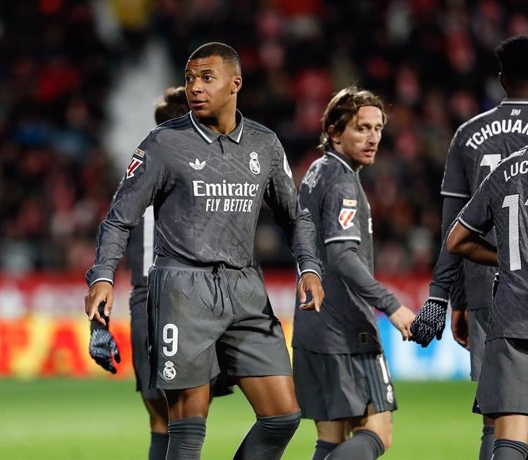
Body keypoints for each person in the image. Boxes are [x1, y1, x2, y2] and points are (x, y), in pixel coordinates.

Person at [84, 42, 324, 460]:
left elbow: (295, 216)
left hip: (245, 288)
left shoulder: (264, 145)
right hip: (183, 289)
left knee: (283, 415)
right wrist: (103, 276)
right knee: (189, 425)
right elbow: (119, 218)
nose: (194, 87)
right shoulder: (163, 144)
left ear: (235, 84)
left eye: (206, 78)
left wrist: (309, 266)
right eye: (190, 78)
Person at [410, 35, 528, 460]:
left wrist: (445, 297)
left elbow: (452, 226)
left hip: (489, 290)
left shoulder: (468, 134)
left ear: (501, 79)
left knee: (499, 417)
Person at [88, 86, 233, 460]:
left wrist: (98, 323)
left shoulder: (136, 178)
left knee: (160, 419)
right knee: (191, 415)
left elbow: (112, 234)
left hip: (145, 299)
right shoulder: (206, 176)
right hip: (188, 297)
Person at [445, 73, 528, 460]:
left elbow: (457, 241)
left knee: (509, 441)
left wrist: (512, 259)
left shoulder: (506, 170)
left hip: (509, 319)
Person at [292, 87, 416, 460]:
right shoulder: (344, 179)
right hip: (347, 329)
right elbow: (343, 255)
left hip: (311, 326)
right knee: (378, 431)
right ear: (334, 132)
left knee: (331, 439)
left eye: (378, 128)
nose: (373, 137)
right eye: (362, 128)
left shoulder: (316, 171)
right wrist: (392, 306)